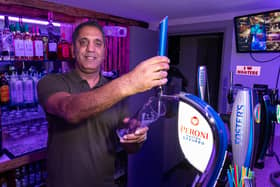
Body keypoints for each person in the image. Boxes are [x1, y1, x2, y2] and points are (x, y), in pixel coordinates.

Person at [37, 20, 170, 187]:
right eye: (83, 42)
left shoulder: (116, 92)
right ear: (72, 50)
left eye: (97, 43)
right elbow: (69, 109)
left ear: (104, 52)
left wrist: (135, 137)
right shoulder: (51, 82)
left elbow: (130, 147)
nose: (90, 49)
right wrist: (130, 82)